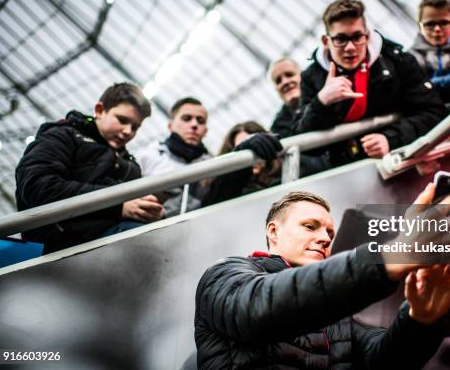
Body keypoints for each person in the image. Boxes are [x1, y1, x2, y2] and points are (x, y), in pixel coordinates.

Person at [194, 185, 450, 369]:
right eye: (310, 226)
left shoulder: (341, 320)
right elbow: (259, 307)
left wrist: (421, 318)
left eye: (329, 233)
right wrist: (390, 256)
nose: (325, 238)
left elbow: (385, 361)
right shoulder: (225, 274)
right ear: (273, 232)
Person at [291, 0, 446, 167]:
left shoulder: (397, 61)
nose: (350, 47)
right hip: (347, 173)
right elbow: (305, 144)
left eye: (357, 36)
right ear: (326, 41)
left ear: (367, 35)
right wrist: (322, 101)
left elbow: (433, 112)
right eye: (341, 39)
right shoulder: (312, 77)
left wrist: (391, 139)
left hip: (401, 164)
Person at [15, 82, 164, 254]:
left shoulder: (130, 166)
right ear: (100, 110)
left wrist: (148, 211)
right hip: (62, 248)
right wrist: (119, 207)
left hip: (114, 238)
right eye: (122, 120)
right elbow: (38, 185)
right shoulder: (62, 136)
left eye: (135, 127)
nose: (128, 131)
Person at [137, 97, 211, 217]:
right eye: (186, 118)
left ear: (205, 131)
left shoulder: (213, 166)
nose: (194, 124)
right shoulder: (147, 157)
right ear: (170, 125)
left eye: (200, 121)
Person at [269, 57, 330, 176]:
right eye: (278, 80)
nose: (285, 82)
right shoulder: (277, 130)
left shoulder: (329, 98)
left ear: (302, 75)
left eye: (289, 74)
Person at [201, 121, 282, 206]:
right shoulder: (218, 187)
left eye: (258, 144)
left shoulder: (283, 175)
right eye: (244, 148)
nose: (252, 153)